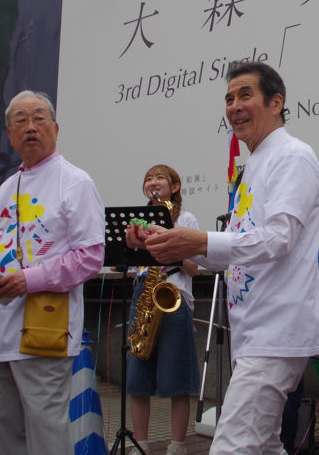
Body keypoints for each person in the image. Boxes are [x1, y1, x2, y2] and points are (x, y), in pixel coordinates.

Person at [127, 62, 319, 453]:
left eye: (245, 95)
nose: (234, 106)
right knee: (263, 446)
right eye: (229, 98)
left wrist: (199, 240)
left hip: (276, 330)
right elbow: (232, 255)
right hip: (252, 333)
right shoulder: (253, 167)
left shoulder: (293, 156)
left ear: (276, 102)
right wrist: (166, 243)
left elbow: (280, 239)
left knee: (231, 447)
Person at [0, 90, 105, 455]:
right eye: (20, 120)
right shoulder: (5, 189)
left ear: (55, 128)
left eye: (39, 118)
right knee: (7, 430)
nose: (30, 127)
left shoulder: (75, 181)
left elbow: (90, 257)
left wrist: (29, 280)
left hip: (45, 327)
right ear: (9, 134)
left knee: (46, 430)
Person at [126, 164, 200, 455]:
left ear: (175, 187)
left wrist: (169, 246)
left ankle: (177, 445)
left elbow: (193, 268)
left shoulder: (185, 219)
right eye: (148, 179)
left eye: (159, 178)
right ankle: (140, 443)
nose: (153, 183)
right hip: (143, 293)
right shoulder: (137, 221)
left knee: (177, 376)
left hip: (173, 295)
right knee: (137, 376)